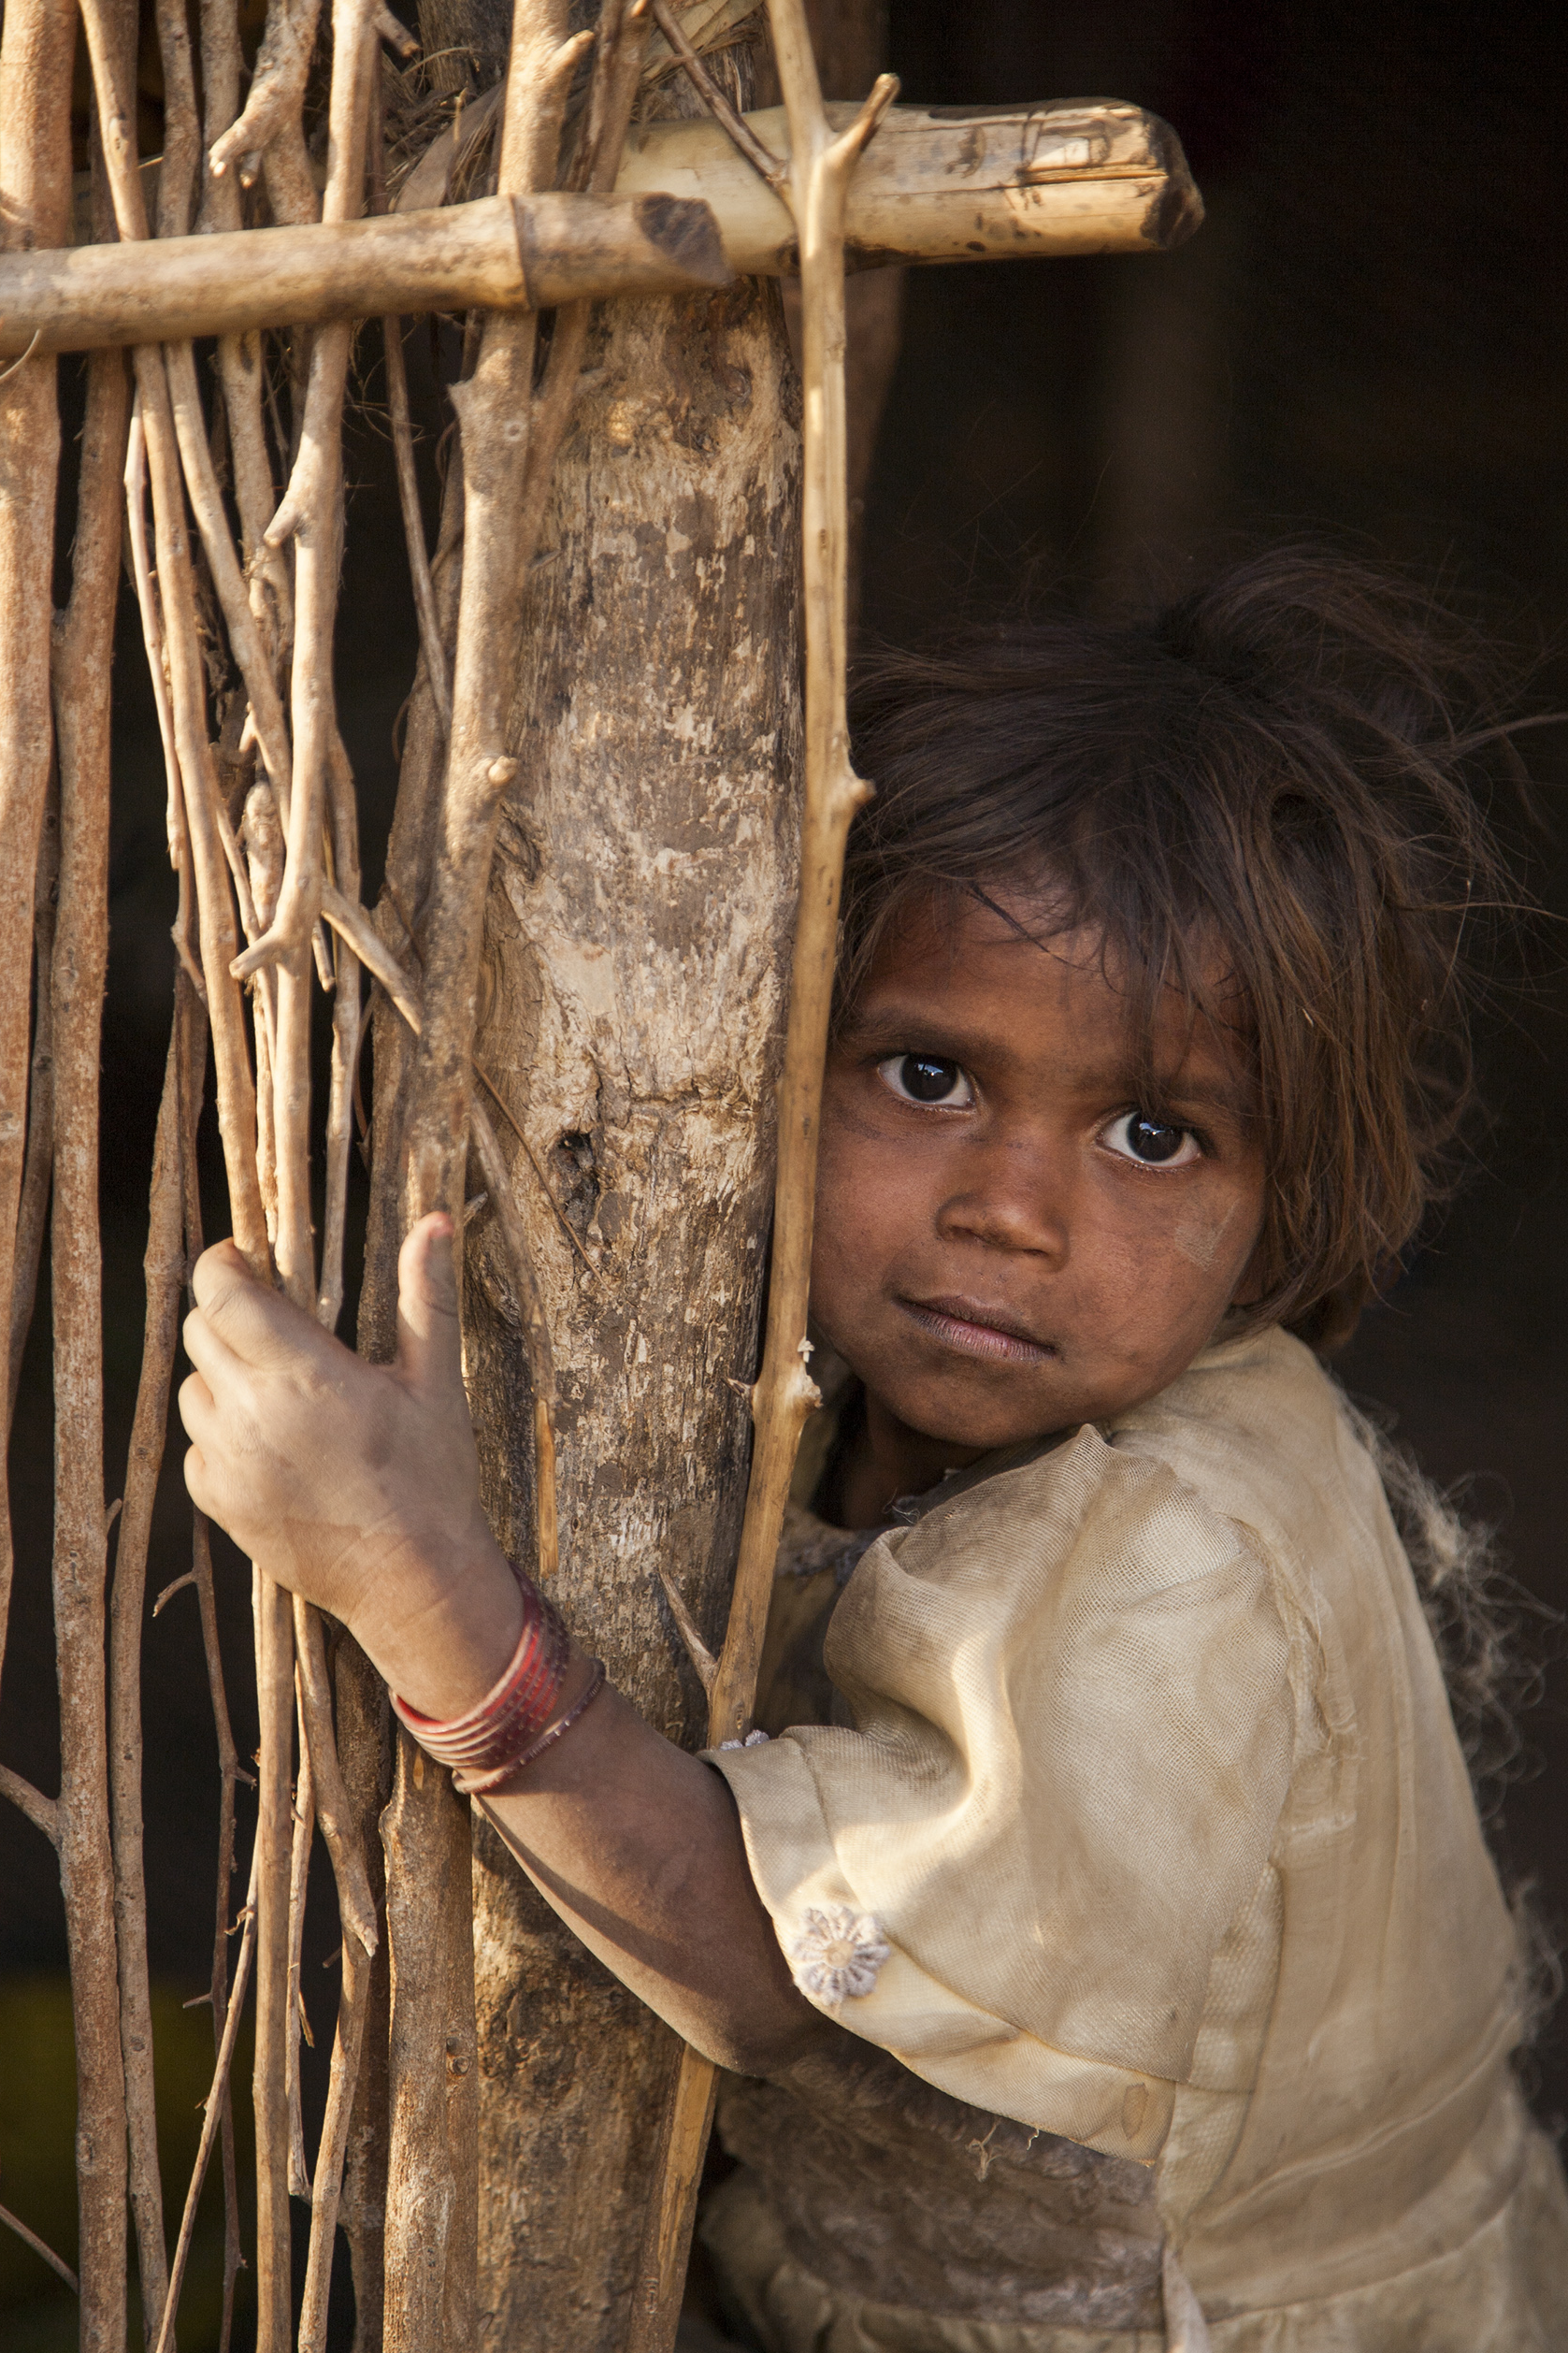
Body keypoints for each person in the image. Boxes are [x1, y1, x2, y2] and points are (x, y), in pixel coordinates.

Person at [179, 552, 1568, 2349]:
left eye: (1153, 1133)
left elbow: (778, 1982)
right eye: (928, 1079)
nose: (1009, 1210)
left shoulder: (1185, 1551)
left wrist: (411, 1578)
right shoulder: (832, 1397)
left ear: (1285, 1204)